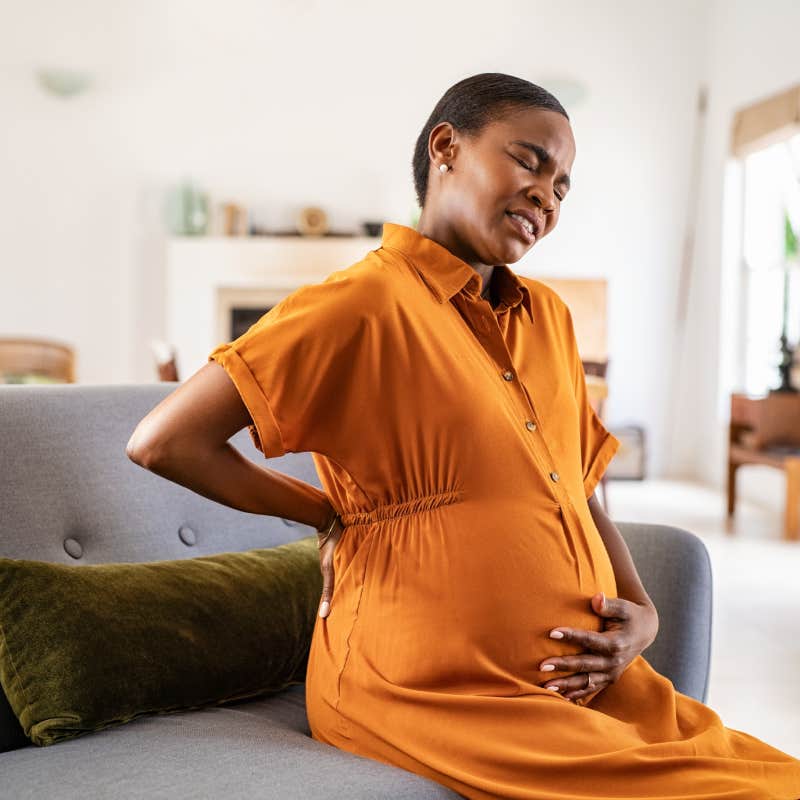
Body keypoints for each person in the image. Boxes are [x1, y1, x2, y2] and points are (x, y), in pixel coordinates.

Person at [127, 73, 800, 799]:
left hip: (588, 684)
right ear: (445, 146)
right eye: (530, 161)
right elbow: (164, 440)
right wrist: (323, 512)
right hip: (429, 690)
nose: (548, 195)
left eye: (564, 186)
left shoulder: (549, 317)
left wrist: (644, 612)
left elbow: (576, 486)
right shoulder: (359, 304)